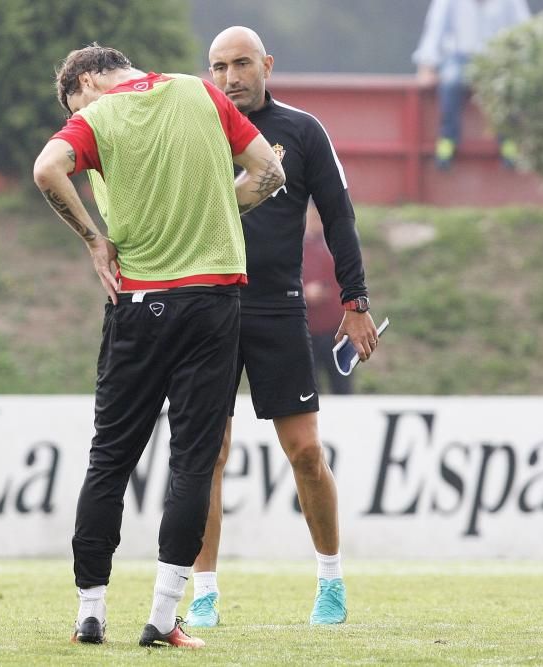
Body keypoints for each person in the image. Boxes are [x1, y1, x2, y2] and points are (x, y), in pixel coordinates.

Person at [32, 43, 284, 649]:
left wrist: (94, 240)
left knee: (110, 460)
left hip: (137, 305)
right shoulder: (202, 93)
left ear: (87, 81)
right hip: (212, 305)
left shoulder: (94, 117)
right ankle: (164, 617)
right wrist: (224, 205)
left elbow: (47, 170)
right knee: (194, 464)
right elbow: (270, 173)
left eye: (74, 100)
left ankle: (90, 612)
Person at [185, 26, 379, 629]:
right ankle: (203, 593)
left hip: (277, 310)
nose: (231, 77)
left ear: (267, 64)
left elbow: (340, 217)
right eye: (219, 67)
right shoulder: (194, 130)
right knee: (205, 456)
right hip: (208, 310)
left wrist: (356, 300)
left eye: (242, 63)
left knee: (306, 451)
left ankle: (330, 582)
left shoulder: (302, 130)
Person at [412, 0, 531, 169]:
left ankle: (509, 141)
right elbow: (435, 30)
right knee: (451, 81)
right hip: (459, 57)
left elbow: (524, 30)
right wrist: (426, 65)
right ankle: (448, 140)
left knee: (508, 84)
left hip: (498, 58)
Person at [303, 203, 354, 395]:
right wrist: (304, 293)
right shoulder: (295, 247)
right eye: (314, 217)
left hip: (337, 331)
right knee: (309, 388)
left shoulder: (336, 245)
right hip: (307, 331)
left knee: (342, 385)